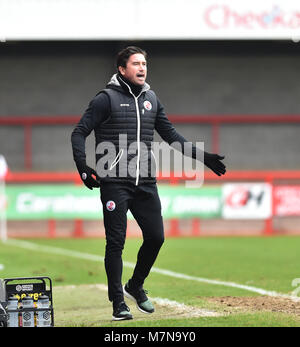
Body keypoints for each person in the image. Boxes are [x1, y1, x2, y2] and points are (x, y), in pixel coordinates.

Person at [71, 46, 226, 321]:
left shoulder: (152, 99)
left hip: (145, 183)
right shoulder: (105, 99)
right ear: (122, 69)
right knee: (115, 243)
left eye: (144, 63)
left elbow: (171, 135)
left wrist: (204, 157)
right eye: (136, 64)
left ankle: (135, 285)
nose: (142, 68)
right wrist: (83, 167)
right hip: (114, 183)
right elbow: (79, 132)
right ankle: (118, 302)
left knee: (156, 237)